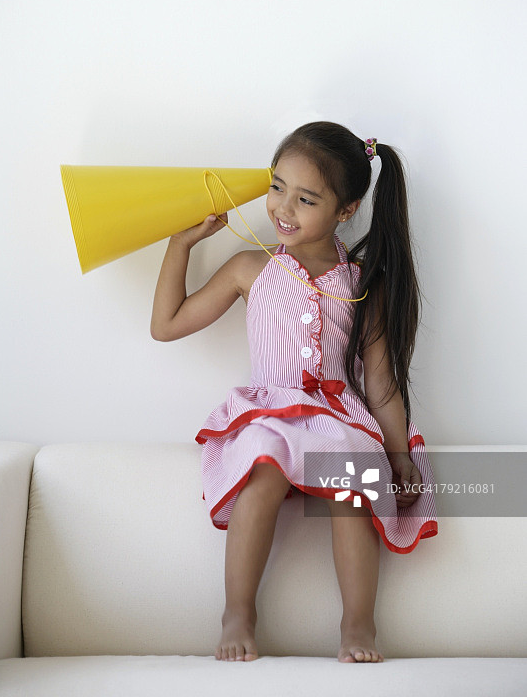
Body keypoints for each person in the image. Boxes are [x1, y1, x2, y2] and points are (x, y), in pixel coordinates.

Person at [151, 121, 438, 665]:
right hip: (272, 411)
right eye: (277, 185)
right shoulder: (250, 268)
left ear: (346, 211)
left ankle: (358, 625)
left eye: (306, 199)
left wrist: (399, 456)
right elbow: (166, 324)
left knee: (351, 488)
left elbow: (380, 384)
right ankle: (238, 613)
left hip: (337, 419)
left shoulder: (362, 284)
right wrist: (180, 242)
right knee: (262, 463)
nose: (283, 207)